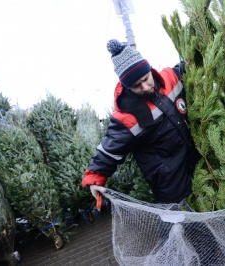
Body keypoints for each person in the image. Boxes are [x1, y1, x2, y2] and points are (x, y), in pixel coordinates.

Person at [82, 39, 200, 205]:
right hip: (169, 180)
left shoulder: (171, 79)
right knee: (176, 221)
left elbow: (190, 65)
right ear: (127, 87)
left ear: (150, 70)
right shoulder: (128, 116)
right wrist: (95, 178)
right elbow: (109, 149)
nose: (145, 87)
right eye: (136, 85)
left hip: (195, 161)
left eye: (146, 79)